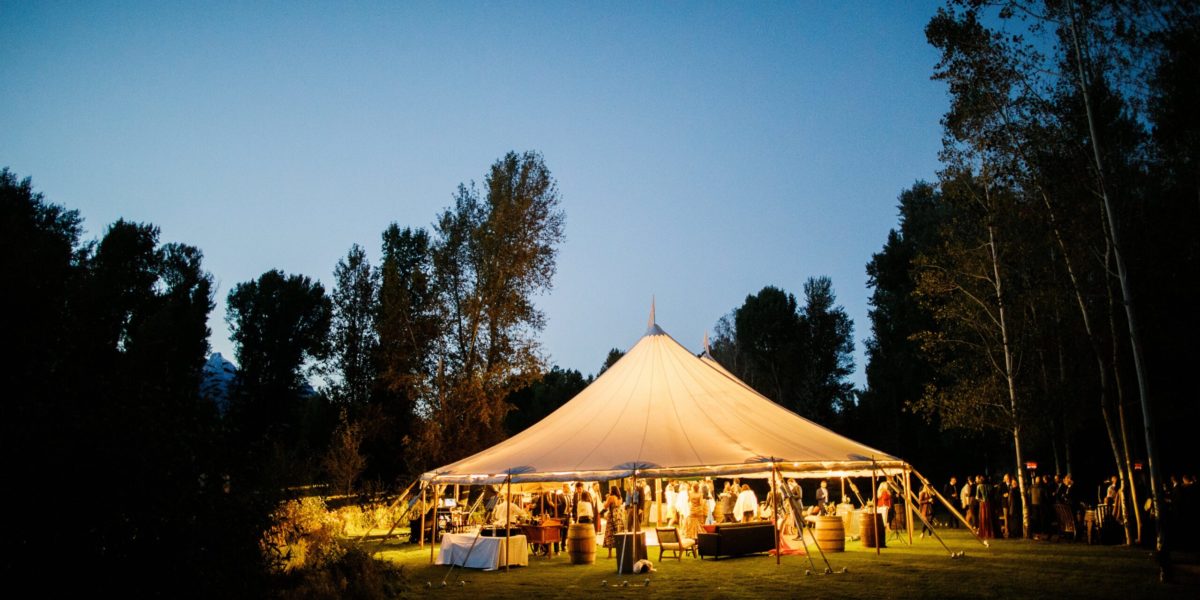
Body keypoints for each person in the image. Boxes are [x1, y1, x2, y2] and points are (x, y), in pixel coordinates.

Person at [602, 486, 625, 557]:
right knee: (619, 533)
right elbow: (619, 505)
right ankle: (619, 552)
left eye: (610, 489)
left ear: (612, 490)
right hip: (619, 516)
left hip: (612, 516)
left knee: (610, 534)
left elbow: (605, 506)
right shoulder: (620, 498)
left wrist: (606, 500)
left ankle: (610, 553)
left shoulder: (611, 497)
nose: (609, 490)